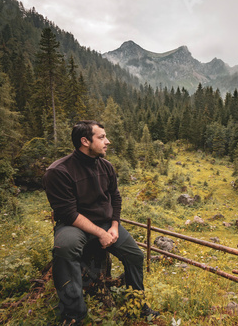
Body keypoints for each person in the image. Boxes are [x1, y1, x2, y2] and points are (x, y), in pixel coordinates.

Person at [43, 120, 159, 325]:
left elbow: (115, 197)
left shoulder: (106, 166)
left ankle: (137, 305)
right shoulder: (59, 171)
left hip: (106, 224)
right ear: (85, 141)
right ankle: (73, 315)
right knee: (65, 248)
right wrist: (101, 234)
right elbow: (69, 214)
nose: (108, 141)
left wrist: (114, 226)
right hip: (74, 226)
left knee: (135, 255)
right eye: (102, 137)